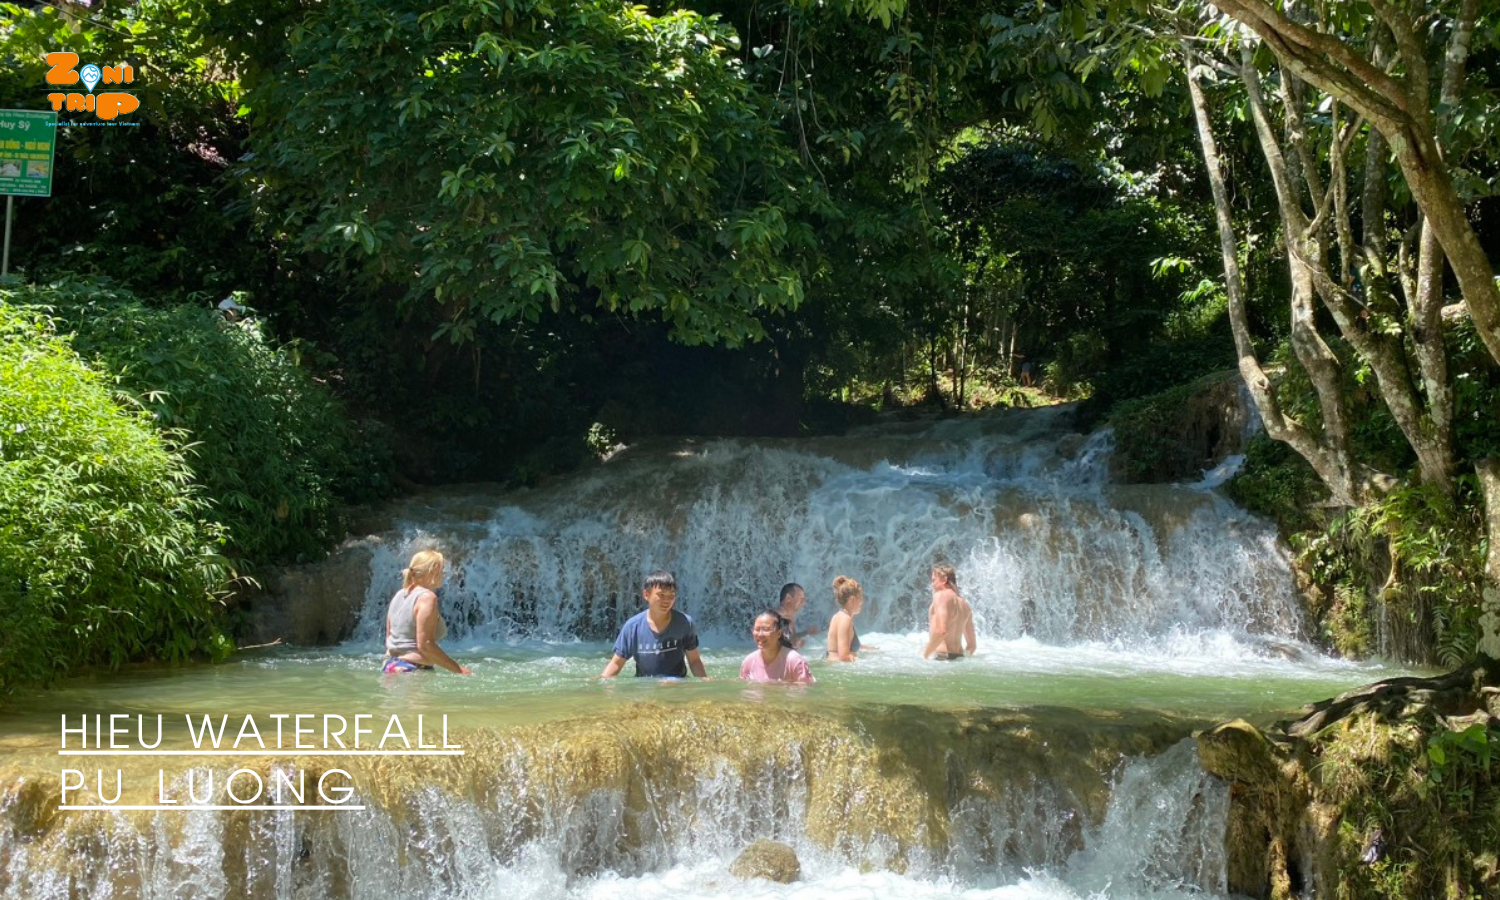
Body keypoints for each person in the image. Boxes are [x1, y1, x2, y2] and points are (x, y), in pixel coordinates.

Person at [601, 571, 708, 678]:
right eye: (661, 595)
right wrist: (603, 682)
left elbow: (694, 661)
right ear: (646, 595)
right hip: (645, 688)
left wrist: (705, 681)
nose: (667, 600)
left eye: (671, 595)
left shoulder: (685, 623)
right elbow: (616, 663)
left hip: (677, 686)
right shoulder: (633, 627)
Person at [383, 550, 472, 674]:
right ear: (432, 571)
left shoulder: (398, 595)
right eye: (442, 570)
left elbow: (389, 639)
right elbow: (425, 645)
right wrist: (459, 670)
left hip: (391, 666)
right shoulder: (427, 598)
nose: (444, 574)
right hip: (413, 669)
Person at [740, 610, 815, 684]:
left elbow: (806, 692)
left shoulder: (794, 661)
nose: (760, 634)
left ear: (779, 633)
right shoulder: (748, 662)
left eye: (766, 629)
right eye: (757, 629)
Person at [923, 563, 976, 660]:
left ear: (944, 579)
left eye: (934, 580)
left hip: (942, 658)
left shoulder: (941, 596)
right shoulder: (965, 604)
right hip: (959, 659)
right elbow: (972, 646)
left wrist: (925, 655)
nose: (932, 585)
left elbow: (941, 631)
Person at [826, 575, 873, 662]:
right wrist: (867, 661)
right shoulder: (846, 620)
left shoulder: (836, 617)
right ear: (852, 600)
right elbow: (843, 656)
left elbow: (839, 646)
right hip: (839, 671)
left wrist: (866, 648)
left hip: (832, 666)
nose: (862, 602)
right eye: (860, 598)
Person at [776, 582, 821, 649]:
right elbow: (773, 645)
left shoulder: (790, 616)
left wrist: (806, 632)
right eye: (801, 600)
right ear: (788, 598)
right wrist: (794, 644)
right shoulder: (777, 616)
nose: (803, 603)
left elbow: (792, 637)